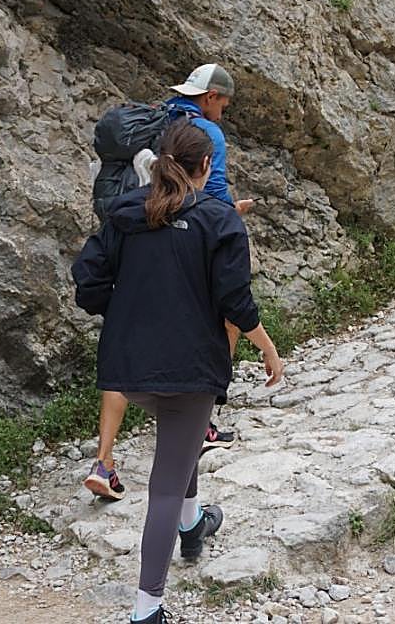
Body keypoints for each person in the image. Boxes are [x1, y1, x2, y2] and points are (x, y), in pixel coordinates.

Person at [72, 120, 285, 624]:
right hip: (190, 369)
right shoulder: (220, 220)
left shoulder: (125, 212)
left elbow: (88, 282)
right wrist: (268, 348)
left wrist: (125, 312)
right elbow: (235, 301)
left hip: (128, 366)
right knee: (165, 485)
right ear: (206, 166)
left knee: (180, 439)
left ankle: (193, 526)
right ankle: (147, 609)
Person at [84, 63, 252, 502]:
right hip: (183, 242)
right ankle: (201, 419)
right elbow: (211, 193)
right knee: (222, 322)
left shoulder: (157, 120)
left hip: (131, 230)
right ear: (211, 97)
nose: (223, 111)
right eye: (224, 103)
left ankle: (104, 461)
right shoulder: (204, 135)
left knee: (124, 345)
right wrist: (231, 216)